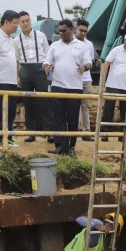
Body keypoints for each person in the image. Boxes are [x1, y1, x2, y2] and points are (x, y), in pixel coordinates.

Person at [43, 19, 92, 158]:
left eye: (64, 31)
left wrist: (84, 67)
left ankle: (71, 146)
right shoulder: (54, 46)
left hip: (75, 87)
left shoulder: (82, 46)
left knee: (72, 118)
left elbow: (89, 62)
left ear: (72, 29)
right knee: (58, 118)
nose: (62, 33)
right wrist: (46, 67)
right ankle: (60, 146)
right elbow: (47, 61)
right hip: (57, 86)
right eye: (60, 31)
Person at [0, 10, 21, 149]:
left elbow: (15, 60)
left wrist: (17, 77)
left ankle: (8, 136)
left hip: (12, 80)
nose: (16, 26)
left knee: (11, 110)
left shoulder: (12, 40)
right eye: (15, 23)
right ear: (6, 22)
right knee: (0, 110)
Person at [14, 11, 50, 142]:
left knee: (44, 100)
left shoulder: (41, 36)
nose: (25, 23)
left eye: (27, 20)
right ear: (19, 24)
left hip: (39, 68)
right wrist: (17, 76)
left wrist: (46, 66)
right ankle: (31, 132)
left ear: (30, 21)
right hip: (25, 69)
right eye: (22, 21)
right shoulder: (16, 40)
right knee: (28, 101)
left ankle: (48, 131)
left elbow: (47, 53)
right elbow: (17, 59)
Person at [99, 31, 126, 143]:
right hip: (112, 85)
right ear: (124, 40)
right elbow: (106, 63)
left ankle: (122, 135)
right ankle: (104, 133)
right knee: (108, 110)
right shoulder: (116, 50)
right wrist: (103, 81)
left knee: (125, 111)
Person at [75, 19, 95, 141]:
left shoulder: (89, 45)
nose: (83, 33)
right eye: (81, 30)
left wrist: (84, 67)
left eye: (85, 31)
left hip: (86, 79)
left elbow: (90, 61)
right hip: (72, 79)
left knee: (85, 106)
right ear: (75, 29)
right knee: (71, 106)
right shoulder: (68, 42)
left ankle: (86, 132)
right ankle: (70, 131)